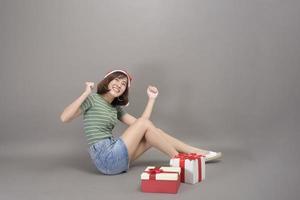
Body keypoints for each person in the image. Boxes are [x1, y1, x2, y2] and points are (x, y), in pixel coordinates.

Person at [60, 69, 222, 175]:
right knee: (147, 127)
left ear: (124, 91)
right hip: (105, 157)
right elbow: (64, 118)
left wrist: (151, 99)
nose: (119, 85)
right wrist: (86, 93)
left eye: (124, 84)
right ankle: (181, 159)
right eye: (116, 80)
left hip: (117, 159)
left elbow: (141, 124)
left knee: (153, 134)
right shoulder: (93, 99)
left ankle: (196, 154)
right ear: (108, 81)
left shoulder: (115, 108)